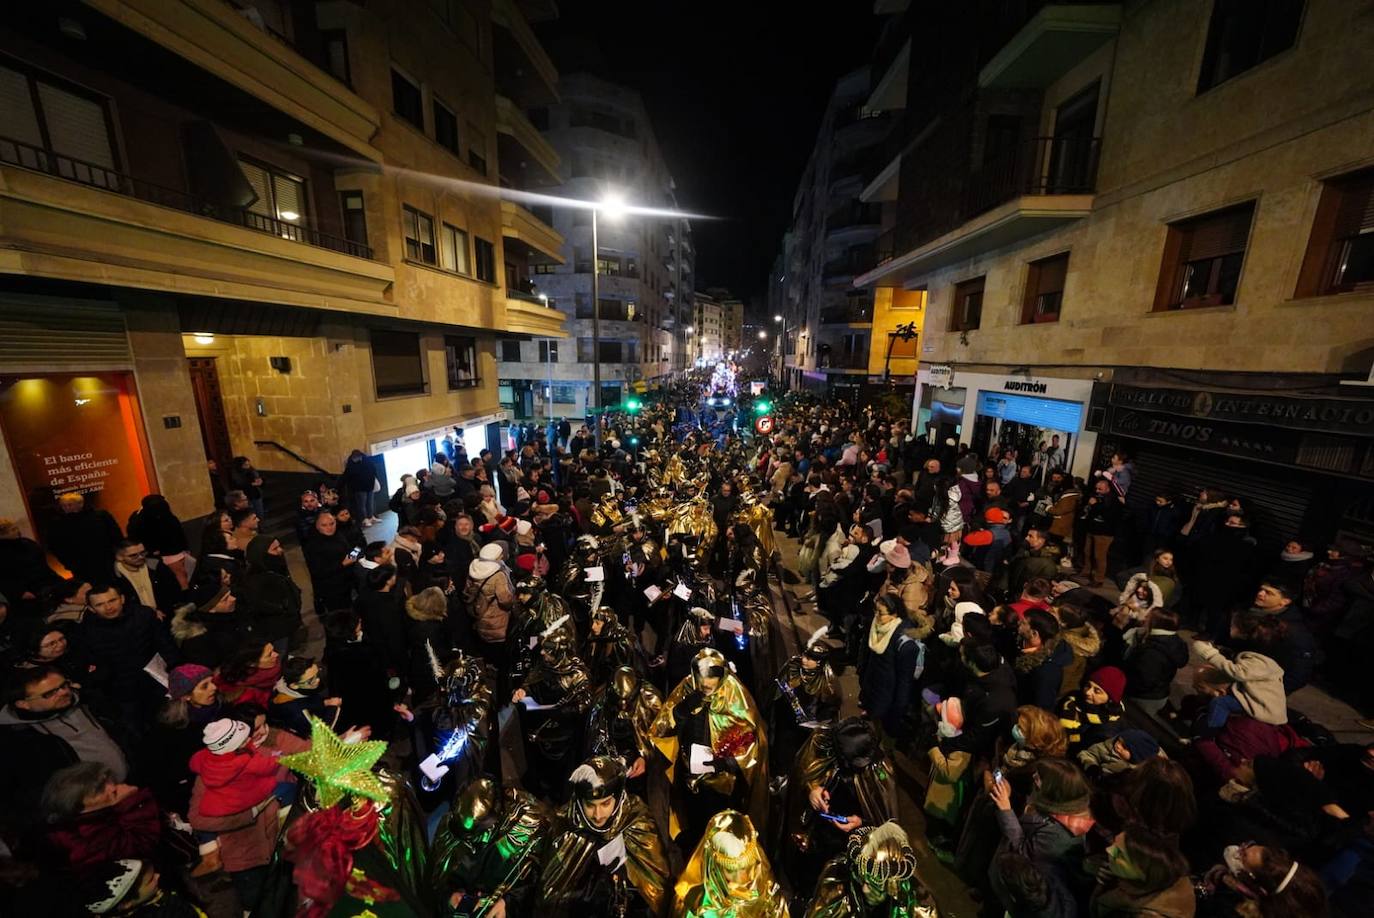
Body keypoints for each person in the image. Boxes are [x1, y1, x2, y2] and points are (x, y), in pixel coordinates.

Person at [651, 647, 769, 853]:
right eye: (702, 678)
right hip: (689, 773)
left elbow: (751, 742)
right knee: (693, 820)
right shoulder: (687, 688)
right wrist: (682, 710)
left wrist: (725, 763)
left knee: (718, 827)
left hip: (721, 783)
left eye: (711, 679)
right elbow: (664, 727)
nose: (705, 684)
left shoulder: (735, 695)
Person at [0, 664, 129, 832]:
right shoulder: (15, 739)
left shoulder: (88, 701)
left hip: (129, 791)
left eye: (63, 685)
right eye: (50, 693)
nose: (63, 692)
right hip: (92, 818)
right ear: (23, 704)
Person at [538, 756, 670, 917]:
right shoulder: (564, 826)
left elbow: (655, 892)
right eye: (590, 805)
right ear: (580, 802)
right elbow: (549, 893)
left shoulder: (637, 823)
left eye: (606, 804)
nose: (598, 815)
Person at [432, 777, 550, 917]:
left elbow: (539, 889)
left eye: (477, 837)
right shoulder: (454, 824)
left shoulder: (530, 825)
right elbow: (438, 876)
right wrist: (450, 896)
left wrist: (508, 904)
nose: (472, 845)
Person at [81, 582, 181, 730]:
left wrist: (176, 671)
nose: (108, 607)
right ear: (91, 608)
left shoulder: (144, 615)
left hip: (157, 680)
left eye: (112, 600)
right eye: (100, 604)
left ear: (122, 598)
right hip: (123, 692)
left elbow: (165, 645)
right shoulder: (88, 631)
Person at [805, 821, 941, 917]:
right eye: (862, 879)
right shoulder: (835, 882)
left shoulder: (921, 908)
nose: (865, 889)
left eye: (875, 884)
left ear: (893, 883)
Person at [673, 809, 787, 918]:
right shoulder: (695, 905)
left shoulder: (762, 879)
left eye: (744, 867)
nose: (739, 878)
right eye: (731, 870)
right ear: (715, 866)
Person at [858, 593, 923, 742]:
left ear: (895, 614)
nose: (876, 616)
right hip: (874, 685)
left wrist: (899, 708)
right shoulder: (877, 626)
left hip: (888, 695)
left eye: (880, 613)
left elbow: (905, 681)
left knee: (885, 732)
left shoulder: (905, 641)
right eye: (876, 610)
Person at [1090, 826, 1195, 917]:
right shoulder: (1167, 874)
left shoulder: (1146, 914)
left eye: (1119, 853)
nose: (1109, 850)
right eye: (1114, 843)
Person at [46, 492, 124, 585]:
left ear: (80, 504)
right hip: (80, 567)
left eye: (69, 505)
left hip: (106, 561)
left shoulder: (100, 516)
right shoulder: (58, 524)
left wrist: (117, 554)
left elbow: (116, 536)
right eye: (63, 506)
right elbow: (54, 546)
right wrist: (69, 563)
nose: (66, 508)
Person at [1080, 479, 1123, 587]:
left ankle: (1099, 579)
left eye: (1100, 489)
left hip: (1104, 533)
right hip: (1092, 529)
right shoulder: (1096, 497)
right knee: (1087, 552)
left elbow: (1108, 515)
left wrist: (1094, 505)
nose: (1097, 491)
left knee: (1099, 556)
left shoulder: (1113, 501)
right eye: (1096, 488)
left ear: (1108, 488)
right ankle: (1086, 571)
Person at [342, 449, 380, 526]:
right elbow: (348, 476)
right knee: (362, 505)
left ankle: (370, 517)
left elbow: (373, 470)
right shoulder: (351, 464)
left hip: (369, 486)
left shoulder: (365, 461)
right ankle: (364, 519)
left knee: (369, 503)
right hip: (360, 488)